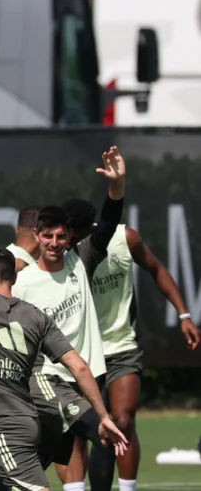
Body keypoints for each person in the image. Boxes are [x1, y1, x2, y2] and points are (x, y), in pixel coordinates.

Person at [0, 184, 129, 491]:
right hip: (9, 423)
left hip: (9, 425)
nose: (54, 242)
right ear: (16, 275)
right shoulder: (35, 315)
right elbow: (80, 366)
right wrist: (103, 416)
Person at [56, 199, 201, 491]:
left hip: (122, 345)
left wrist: (184, 314)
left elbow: (157, 270)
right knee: (79, 433)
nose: (68, 239)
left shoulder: (125, 238)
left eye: (72, 233)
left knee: (123, 420)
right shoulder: (61, 254)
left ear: (86, 228)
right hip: (80, 352)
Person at [12, 147, 126, 491]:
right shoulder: (23, 282)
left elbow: (108, 221)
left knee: (51, 454)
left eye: (62, 236)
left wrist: (117, 185)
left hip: (90, 373)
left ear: (70, 237)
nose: (55, 242)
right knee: (100, 429)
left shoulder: (81, 260)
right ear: (37, 237)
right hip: (50, 379)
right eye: (48, 236)